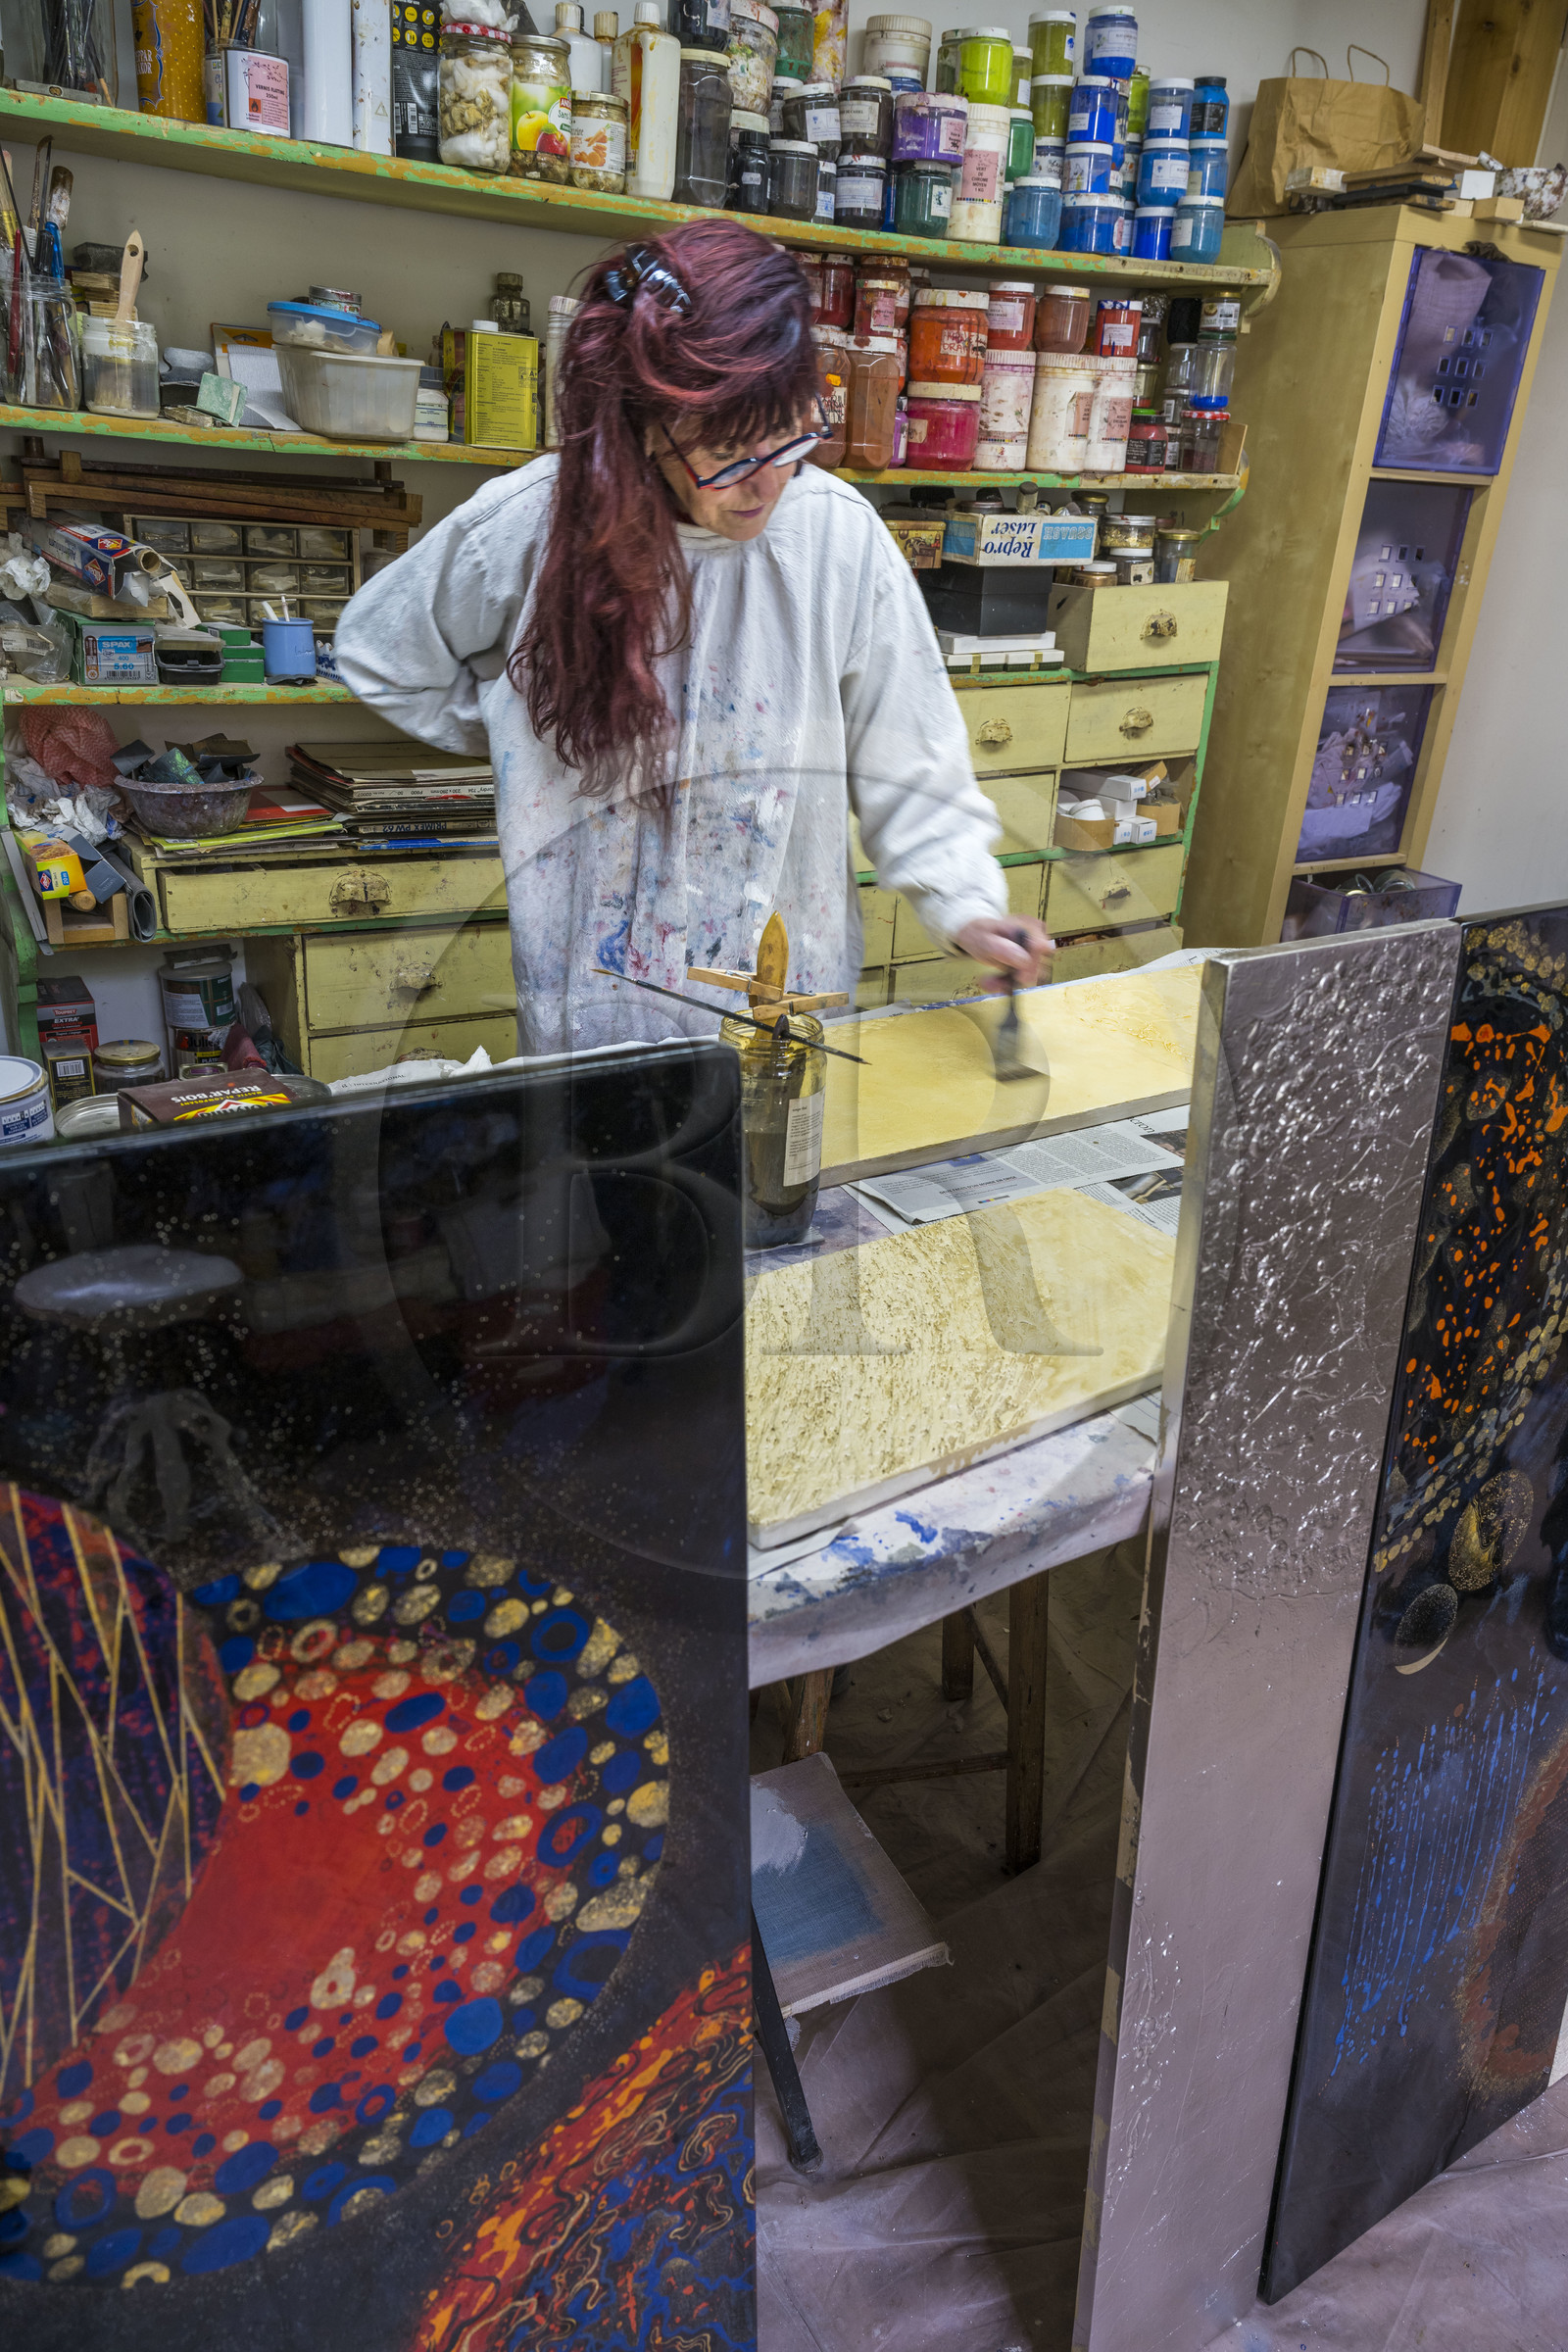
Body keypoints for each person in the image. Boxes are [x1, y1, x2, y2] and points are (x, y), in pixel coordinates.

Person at [335, 220, 1052, 1055]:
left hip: (784, 1007)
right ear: (639, 425)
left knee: (779, 1170)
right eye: (726, 453)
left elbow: (911, 755)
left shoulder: (835, 538)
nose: (767, 483)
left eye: (789, 435)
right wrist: (519, 723)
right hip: (591, 1010)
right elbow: (380, 655)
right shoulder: (531, 522)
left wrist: (966, 906)